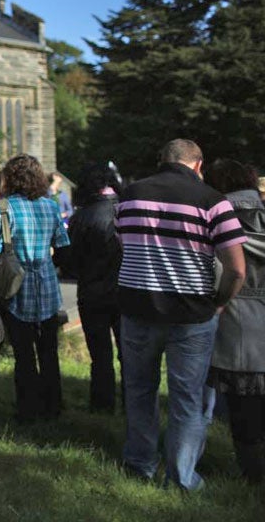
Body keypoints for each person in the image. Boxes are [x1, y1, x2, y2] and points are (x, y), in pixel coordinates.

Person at [116, 139, 246, 490]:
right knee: (187, 397)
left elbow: (123, 245)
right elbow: (237, 269)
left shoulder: (129, 195)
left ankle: (140, 464)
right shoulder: (212, 201)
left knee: (140, 390)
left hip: (138, 306)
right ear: (198, 165)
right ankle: (182, 477)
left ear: (163, 161)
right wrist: (219, 302)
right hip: (192, 313)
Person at [0, 155, 70, 423]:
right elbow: (61, 244)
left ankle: (27, 409)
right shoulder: (50, 206)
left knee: (23, 354)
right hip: (47, 285)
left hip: (17, 287)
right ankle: (53, 405)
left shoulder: (4, 208)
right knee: (49, 351)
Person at [202, 159, 265, 484]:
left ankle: (252, 477)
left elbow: (218, 274)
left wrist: (218, 302)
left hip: (237, 323)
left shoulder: (219, 221)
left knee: (243, 411)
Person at [60, 162, 124, 413]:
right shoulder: (127, 210)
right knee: (129, 355)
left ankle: (102, 406)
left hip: (92, 291)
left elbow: (69, 261)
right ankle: (133, 404)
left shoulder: (82, 217)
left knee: (100, 356)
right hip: (125, 291)